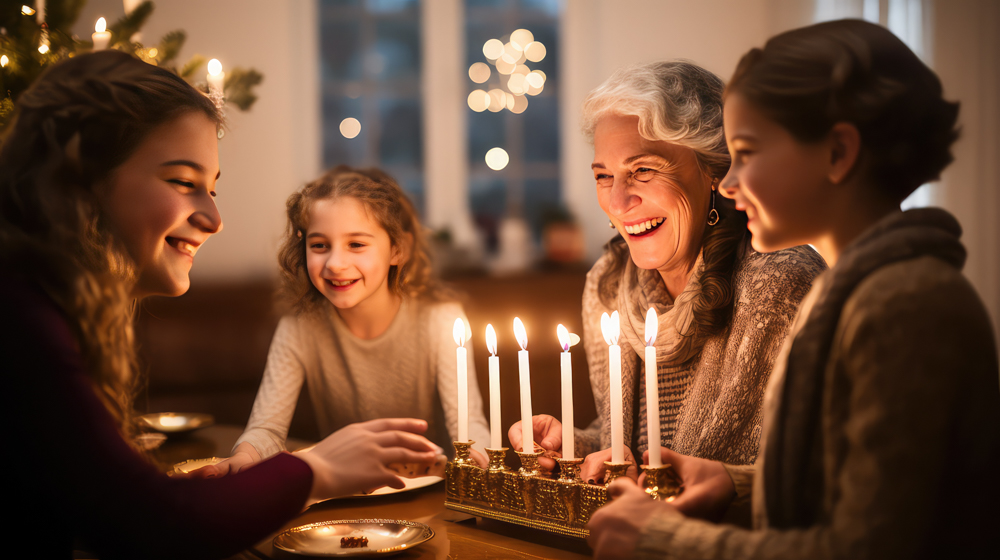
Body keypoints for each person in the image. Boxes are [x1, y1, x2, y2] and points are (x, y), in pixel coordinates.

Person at [0, 51, 441, 559]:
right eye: (185, 183)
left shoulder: (43, 306)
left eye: (211, 189)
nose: (214, 217)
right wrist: (315, 468)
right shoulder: (22, 319)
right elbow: (148, 524)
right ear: (80, 180)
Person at [587, 19, 1000, 560]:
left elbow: (872, 546)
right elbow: (854, 491)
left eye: (749, 153)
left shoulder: (905, 306)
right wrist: (735, 486)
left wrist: (667, 540)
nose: (729, 182)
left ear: (837, 154)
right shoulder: (857, 293)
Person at [509, 61, 826, 485]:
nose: (619, 203)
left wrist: (727, 486)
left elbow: (820, 476)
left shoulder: (783, 284)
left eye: (643, 170)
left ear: (714, 169)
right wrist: (576, 447)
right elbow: (635, 449)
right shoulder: (606, 285)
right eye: (605, 176)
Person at [206, 166, 491, 476]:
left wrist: (480, 462)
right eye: (319, 245)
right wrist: (242, 459)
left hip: (431, 491)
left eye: (356, 244)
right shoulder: (300, 327)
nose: (335, 263)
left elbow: (468, 424)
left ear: (398, 250)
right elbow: (267, 430)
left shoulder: (441, 318)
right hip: (346, 492)